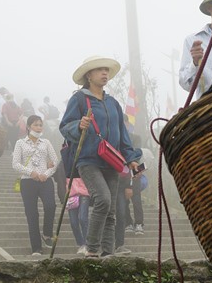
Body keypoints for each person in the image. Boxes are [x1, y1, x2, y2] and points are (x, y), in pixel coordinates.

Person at [60, 56, 142, 258]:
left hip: (112, 161)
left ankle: (107, 252)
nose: (104, 73)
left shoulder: (113, 103)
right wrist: (78, 125)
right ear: (89, 75)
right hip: (88, 160)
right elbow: (65, 126)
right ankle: (92, 248)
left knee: (111, 210)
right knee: (103, 200)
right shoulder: (79, 99)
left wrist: (131, 157)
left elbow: (122, 133)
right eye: (99, 70)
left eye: (106, 70)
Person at [12, 115, 59, 256]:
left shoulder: (46, 143)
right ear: (28, 127)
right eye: (36, 125)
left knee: (51, 206)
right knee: (32, 214)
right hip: (27, 182)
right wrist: (30, 172)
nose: (39, 128)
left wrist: (47, 173)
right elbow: (15, 164)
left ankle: (47, 234)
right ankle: (36, 248)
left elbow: (55, 161)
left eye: (40, 125)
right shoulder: (20, 143)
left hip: (45, 180)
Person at [66, 176, 90, 255]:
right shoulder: (66, 166)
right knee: (73, 222)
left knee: (83, 218)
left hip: (84, 193)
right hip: (71, 195)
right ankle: (80, 243)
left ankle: (87, 244)